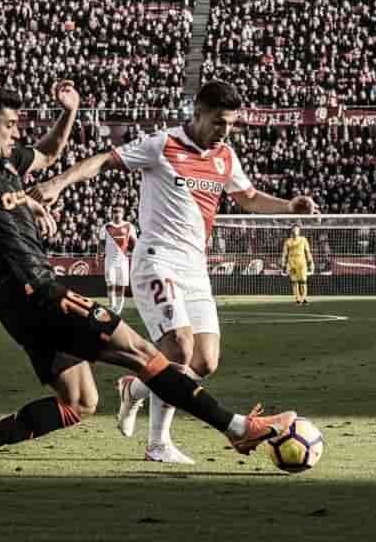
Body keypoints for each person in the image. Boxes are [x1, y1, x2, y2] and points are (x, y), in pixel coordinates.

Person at [0, 84, 298, 482]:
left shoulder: (6, 164)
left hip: (16, 307)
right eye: (10, 125)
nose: (16, 133)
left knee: (80, 402)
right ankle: (238, 428)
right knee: (149, 354)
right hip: (39, 291)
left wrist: (69, 111)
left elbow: (48, 153)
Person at [29, 80, 317, 465]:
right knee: (178, 347)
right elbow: (102, 160)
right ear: (197, 113)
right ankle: (158, 444)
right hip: (156, 259)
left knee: (204, 362)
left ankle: (135, 388)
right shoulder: (161, 144)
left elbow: (247, 197)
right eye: (218, 122)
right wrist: (58, 182)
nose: (225, 130)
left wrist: (288, 206)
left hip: (195, 267)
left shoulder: (225, 156)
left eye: (231, 123)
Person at [102, 208, 136, 314]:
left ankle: (119, 309)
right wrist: (98, 256)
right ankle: (112, 306)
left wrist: (134, 253)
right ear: (112, 213)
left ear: (123, 214)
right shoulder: (106, 226)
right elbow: (101, 242)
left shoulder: (129, 226)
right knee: (110, 283)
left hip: (123, 261)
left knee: (122, 286)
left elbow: (134, 242)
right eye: (115, 211)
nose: (117, 214)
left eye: (119, 212)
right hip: (110, 260)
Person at [282, 224, 313, 305]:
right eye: (294, 229)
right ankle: (298, 299)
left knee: (303, 281)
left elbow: (307, 251)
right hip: (291, 264)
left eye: (296, 229)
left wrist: (311, 262)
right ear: (292, 231)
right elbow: (284, 254)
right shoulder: (288, 241)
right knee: (294, 282)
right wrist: (283, 264)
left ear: (299, 231)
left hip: (302, 263)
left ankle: (304, 299)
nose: (295, 231)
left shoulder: (303, 240)